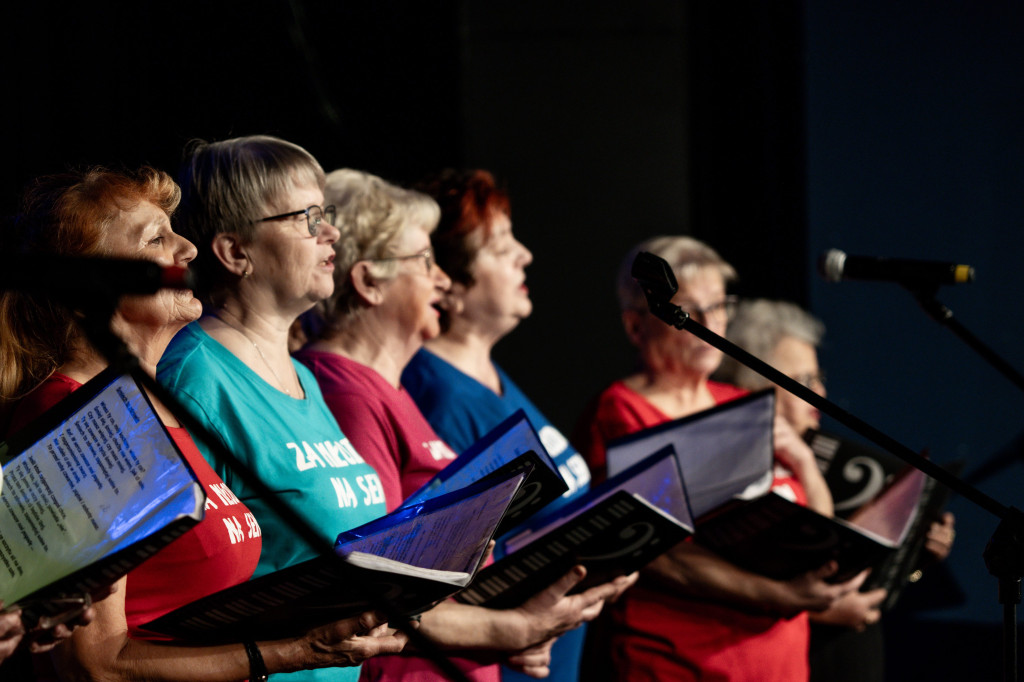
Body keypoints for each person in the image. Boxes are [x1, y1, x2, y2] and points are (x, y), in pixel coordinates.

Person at [0, 166, 405, 681]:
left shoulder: (158, 409)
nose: (188, 248)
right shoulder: (76, 416)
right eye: (156, 238)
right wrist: (292, 652)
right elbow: (94, 664)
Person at [295, 168, 634, 682]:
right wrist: (511, 630)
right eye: (424, 261)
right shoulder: (349, 393)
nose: (440, 278)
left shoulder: (391, 390)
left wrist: (508, 633)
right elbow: (381, 586)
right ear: (367, 282)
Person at [155, 137, 409, 682]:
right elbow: (164, 590)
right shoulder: (192, 378)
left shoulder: (306, 379)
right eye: (308, 216)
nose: (331, 231)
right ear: (235, 252)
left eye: (328, 212)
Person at [573, 236, 864, 682]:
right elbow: (659, 557)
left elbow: (809, 526)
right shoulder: (622, 410)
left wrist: (804, 463)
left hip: (777, 663)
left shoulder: (739, 403)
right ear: (636, 326)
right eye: (689, 309)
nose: (710, 322)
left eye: (720, 305)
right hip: (680, 664)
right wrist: (778, 594)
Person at [400, 169, 595, 682]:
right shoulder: (436, 394)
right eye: (500, 247)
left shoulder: (491, 374)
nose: (524, 256)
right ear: (452, 281)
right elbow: (441, 563)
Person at [718, 298, 956, 682]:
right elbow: (722, 580)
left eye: (819, 377)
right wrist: (824, 610)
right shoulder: (730, 464)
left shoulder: (808, 458)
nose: (820, 394)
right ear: (754, 384)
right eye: (804, 381)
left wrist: (913, 558)